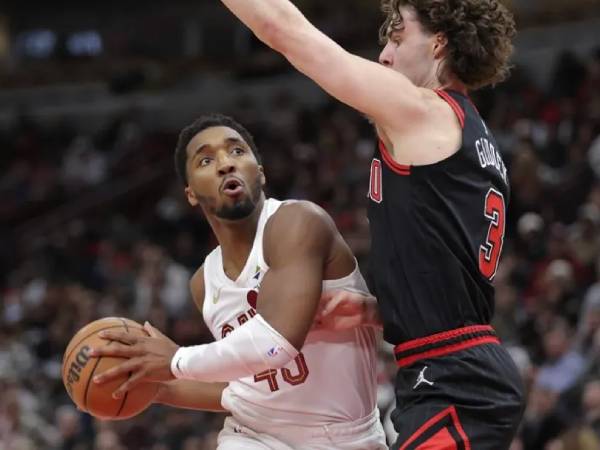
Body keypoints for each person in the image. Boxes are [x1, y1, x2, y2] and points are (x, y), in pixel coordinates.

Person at [200, 0, 525, 448]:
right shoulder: (471, 136)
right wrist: (377, 310)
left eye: (396, 37)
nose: (384, 56)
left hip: (457, 378)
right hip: (449, 369)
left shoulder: (424, 112)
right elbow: (449, 275)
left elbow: (284, 30)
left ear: (438, 43)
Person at [91, 114, 387, 449]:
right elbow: (250, 387)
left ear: (260, 172)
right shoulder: (204, 283)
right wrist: (157, 385)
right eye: (206, 160)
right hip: (255, 435)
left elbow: (276, 344)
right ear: (190, 193)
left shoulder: (298, 222)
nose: (225, 165)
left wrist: (175, 362)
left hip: (346, 438)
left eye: (236, 152)